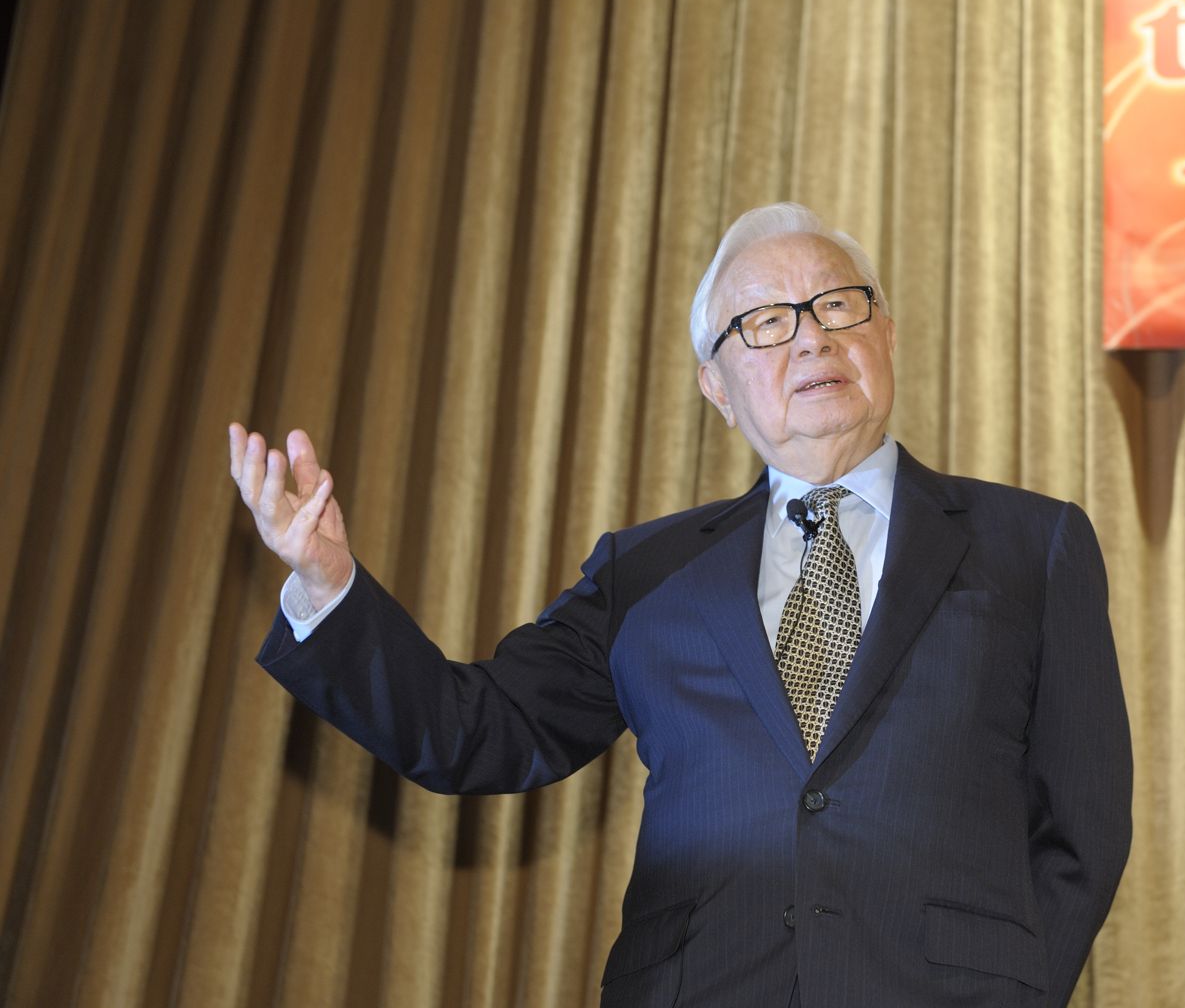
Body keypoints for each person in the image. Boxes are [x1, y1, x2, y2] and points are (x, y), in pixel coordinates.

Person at [228, 202, 1132, 1008]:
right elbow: (476, 731)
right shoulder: (648, 572)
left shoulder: (1032, 543)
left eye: (837, 306)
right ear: (717, 388)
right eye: (767, 323)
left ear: (886, 335)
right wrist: (327, 585)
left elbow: (1083, 827)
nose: (812, 339)